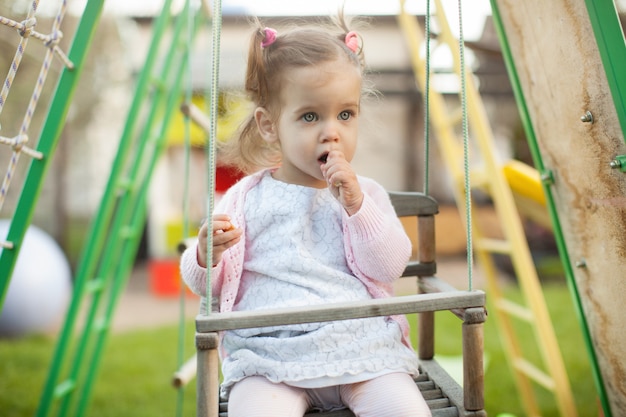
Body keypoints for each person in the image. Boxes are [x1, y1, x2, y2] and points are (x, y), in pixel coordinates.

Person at [180, 14, 431, 417]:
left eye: (345, 115)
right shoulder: (245, 200)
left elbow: (388, 266)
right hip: (270, 359)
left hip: (362, 351)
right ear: (269, 125)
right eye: (310, 116)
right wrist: (204, 255)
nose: (332, 132)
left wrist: (357, 209)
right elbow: (206, 285)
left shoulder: (365, 195)